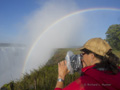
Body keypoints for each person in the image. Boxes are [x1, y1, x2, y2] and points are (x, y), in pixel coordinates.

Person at [54, 38, 120, 90]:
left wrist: (61, 77)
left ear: (92, 56)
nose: (81, 58)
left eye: (83, 54)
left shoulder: (84, 83)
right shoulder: (116, 70)